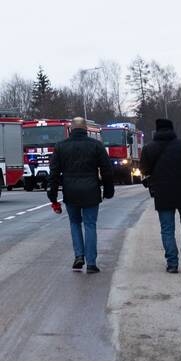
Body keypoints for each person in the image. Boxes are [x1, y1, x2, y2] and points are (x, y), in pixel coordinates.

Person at [48, 117, 115, 273]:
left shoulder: (60, 147)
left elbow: (54, 174)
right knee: (90, 225)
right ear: (86, 130)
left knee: (75, 223)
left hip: (70, 192)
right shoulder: (96, 146)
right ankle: (91, 263)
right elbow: (107, 170)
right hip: (91, 191)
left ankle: (79, 256)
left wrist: (52, 196)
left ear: (71, 129)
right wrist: (108, 190)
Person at [140, 118, 181, 273]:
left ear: (156, 131)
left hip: (163, 193)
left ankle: (172, 263)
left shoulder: (149, 148)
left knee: (167, 228)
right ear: (172, 129)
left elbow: (144, 170)